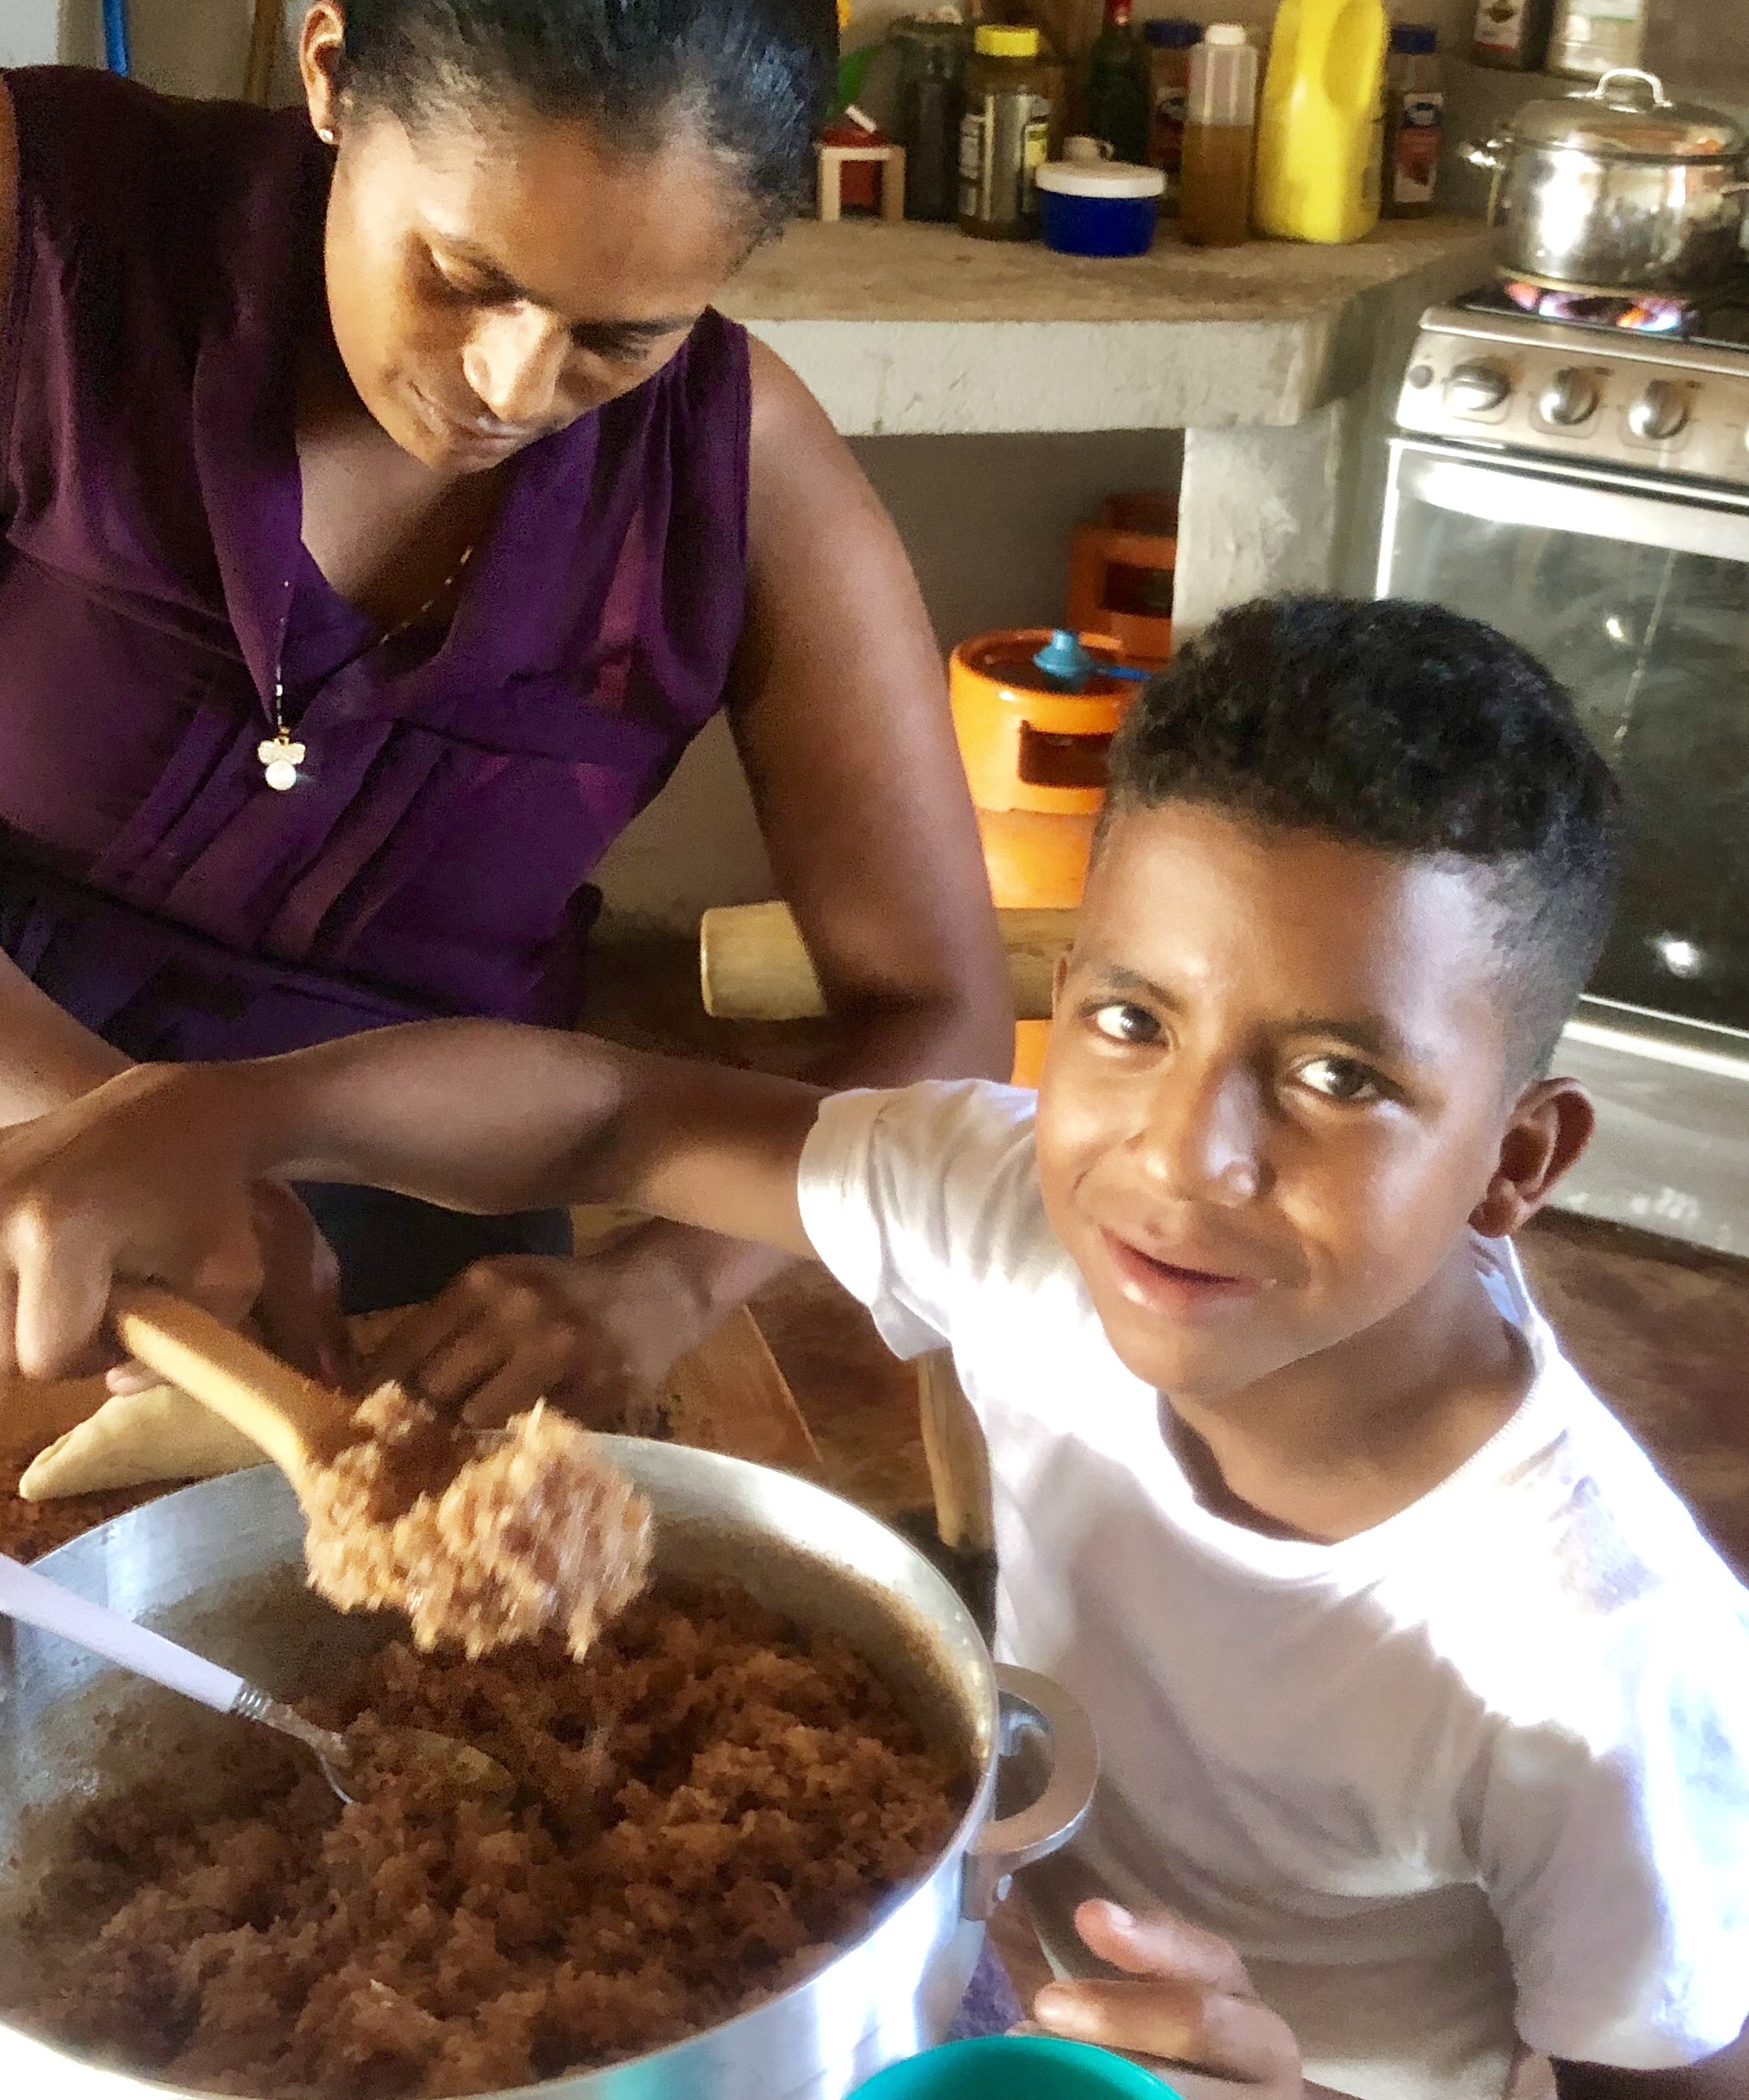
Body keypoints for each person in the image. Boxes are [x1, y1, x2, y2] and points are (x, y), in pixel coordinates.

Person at [3, 596, 1746, 2100]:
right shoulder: (1015, 1208)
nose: (1176, 1157)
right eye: (1130, 1019)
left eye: (1336, 1077)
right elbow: (612, 1115)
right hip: (972, 1952)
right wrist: (233, 1111)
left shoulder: (1600, 1654)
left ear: (1516, 1160)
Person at [0, 0, 1009, 1414]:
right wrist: (139, 1143)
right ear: (332, 74)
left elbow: (940, 1019)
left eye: (624, 334)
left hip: (402, 1287)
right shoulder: (42, 240)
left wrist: (661, 1281)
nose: (514, 384)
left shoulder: (741, 477)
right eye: (461, 276)